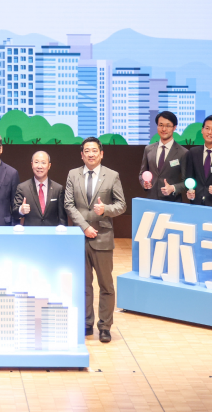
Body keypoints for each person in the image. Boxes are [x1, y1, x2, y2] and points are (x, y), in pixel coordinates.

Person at [62, 137, 126, 344]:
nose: (91, 154)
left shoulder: (112, 175)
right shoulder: (73, 174)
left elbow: (121, 205)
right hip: (79, 237)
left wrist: (105, 209)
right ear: (82, 155)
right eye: (87, 151)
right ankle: (86, 322)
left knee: (106, 285)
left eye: (94, 150)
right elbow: (69, 204)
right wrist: (85, 227)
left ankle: (105, 326)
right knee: (83, 284)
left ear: (101, 153)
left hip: (103, 237)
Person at [139, 112, 189, 202]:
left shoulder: (183, 152)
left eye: (168, 126)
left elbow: (186, 181)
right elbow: (142, 173)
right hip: (152, 200)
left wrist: (173, 188)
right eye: (161, 125)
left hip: (172, 202)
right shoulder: (148, 149)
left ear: (174, 127)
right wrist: (144, 183)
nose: (164, 129)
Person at [15, 150, 64, 225]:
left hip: (52, 231)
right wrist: (21, 210)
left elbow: (62, 218)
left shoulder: (58, 189)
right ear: (32, 164)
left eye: (43, 163)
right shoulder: (22, 188)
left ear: (49, 166)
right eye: (36, 162)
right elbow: (14, 213)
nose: (39, 166)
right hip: (30, 231)